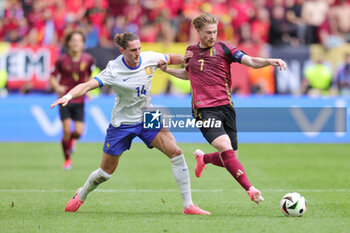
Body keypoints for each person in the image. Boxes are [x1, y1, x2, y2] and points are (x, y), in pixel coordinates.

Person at [50, 32, 210, 215]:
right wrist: (68, 96)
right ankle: (81, 194)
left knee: (176, 152)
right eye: (133, 50)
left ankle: (188, 205)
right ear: (122, 50)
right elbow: (86, 86)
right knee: (105, 173)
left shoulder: (149, 58)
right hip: (123, 123)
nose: (138, 53)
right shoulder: (113, 69)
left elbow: (169, 57)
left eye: (139, 48)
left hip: (147, 115)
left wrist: (186, 59)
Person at [158, 14, 287, 205]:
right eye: (208, 33)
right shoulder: (190, 51)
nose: (212, 36)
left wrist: (269, 61)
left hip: (226, 107)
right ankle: (250, 189)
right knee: (225, 147)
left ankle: (204, 159)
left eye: (215, 32)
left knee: (230, 156)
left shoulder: (225, 49)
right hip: (203, 109)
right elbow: (188, 74)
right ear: (199, 32)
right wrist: (167, 70)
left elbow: (250, 61)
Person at [49, 30, 95, 170]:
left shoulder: (88, 59)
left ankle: (72, 142)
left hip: (80, 100)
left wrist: (87, 90)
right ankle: (67, 160)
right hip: (64, 100)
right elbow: (52, 76)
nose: (76, 43)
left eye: (79, 41)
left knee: (79, 132)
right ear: (68, 43)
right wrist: (57, 87)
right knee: (67, 131)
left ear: (83, 44)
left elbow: (89, 75)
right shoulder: (61, 60)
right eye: (73, 40)